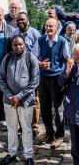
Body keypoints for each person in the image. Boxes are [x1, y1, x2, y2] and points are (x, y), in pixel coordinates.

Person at [0, 35, 39, 165]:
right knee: (11, 127)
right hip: (9, 101)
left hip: (26, 101)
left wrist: (19, 96)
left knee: (26, 128)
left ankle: (28, 156)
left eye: (20, 44)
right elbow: (1, 79)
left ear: (24, 44)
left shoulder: (30, 58)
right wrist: (11, 96)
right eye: (15, 45)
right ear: (12, 46)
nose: (18, 46)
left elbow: (34, 81)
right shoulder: (8, 58)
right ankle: (12, 153)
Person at [32, 18, 70, 149]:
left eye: (51, 26)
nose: (48, 29)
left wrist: (64, 77)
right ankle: (49, 133)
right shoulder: (41, 40)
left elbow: (67, 60)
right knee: (45, 107)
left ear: (57, 28)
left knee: (59, 109)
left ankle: (59, 136)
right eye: (47, 26)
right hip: (43, 78)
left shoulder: (62, 41)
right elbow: (33, 58)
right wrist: (40, 64)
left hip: (57, 79)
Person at [11, 12, 41, 137]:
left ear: (27, 20)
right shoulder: (14, 34)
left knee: (33, 99)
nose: (20, 22)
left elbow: (38, 53)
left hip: (32, 70)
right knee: (19, 98)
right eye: (18, 20)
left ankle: (34, 126)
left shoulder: (35, 34)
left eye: (22, 19)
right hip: (18, 71)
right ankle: (21, 126)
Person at [59, 44, 79, 165]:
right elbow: (60, 83)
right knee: (75, 144)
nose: (77, 59)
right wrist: (66, 72)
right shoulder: (72, 67)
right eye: (76, 56)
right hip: (72, 110)